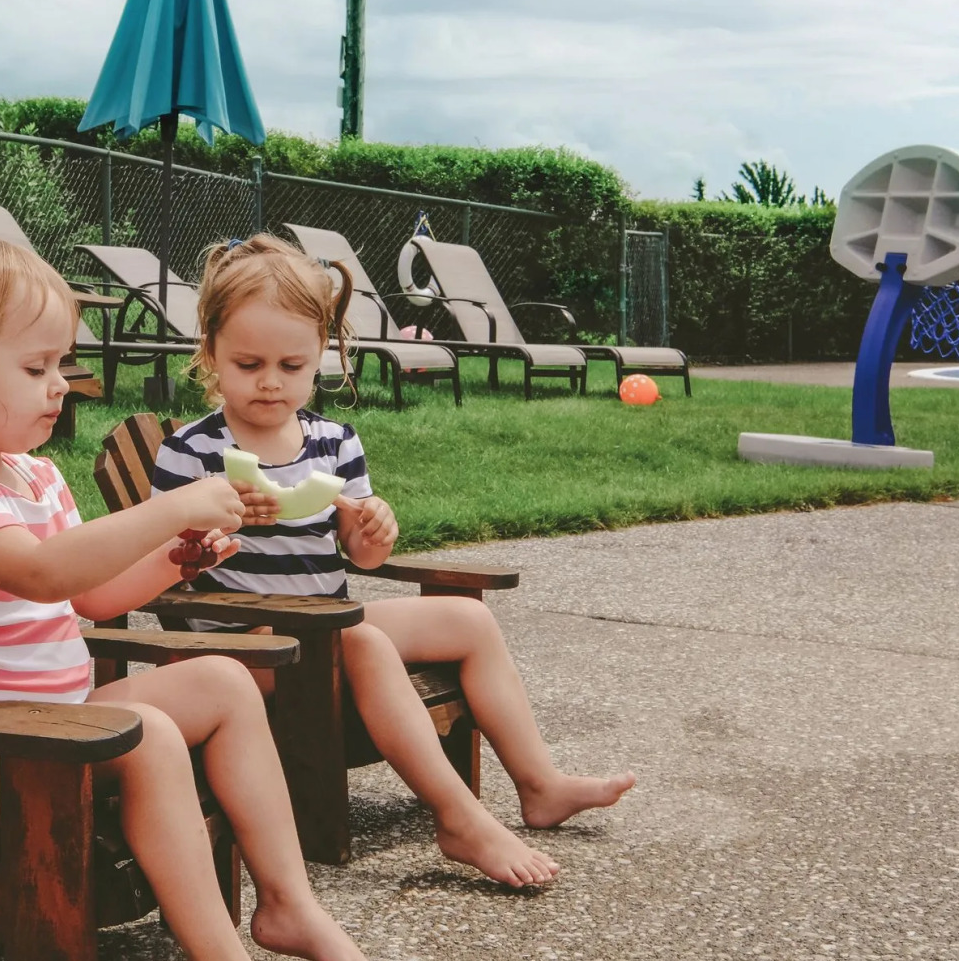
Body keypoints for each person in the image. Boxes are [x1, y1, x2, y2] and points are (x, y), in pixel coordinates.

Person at [0, 234, 383, 961]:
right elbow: (44, 573)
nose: (59, 386)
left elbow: (92, 597)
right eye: (36, 368)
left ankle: (287, 903)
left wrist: (178, 558)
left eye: (61, 364)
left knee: (223, 681)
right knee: (149, 733)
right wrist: (174, 506)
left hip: (50, 729)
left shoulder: (33, 474)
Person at [150, 234, 636, 889]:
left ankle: (539, 783)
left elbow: (362, 553)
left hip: (326, 621)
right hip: (246, 649)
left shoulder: (334, 442)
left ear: (322, 354)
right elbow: (163, 554)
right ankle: (458, 818)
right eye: (248, 363)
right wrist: (215, 521)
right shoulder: (191, 451)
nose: (271, 381)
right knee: (364, 641)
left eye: (292, 365)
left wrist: (374, 526)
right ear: (210, 353)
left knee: (468, 620)